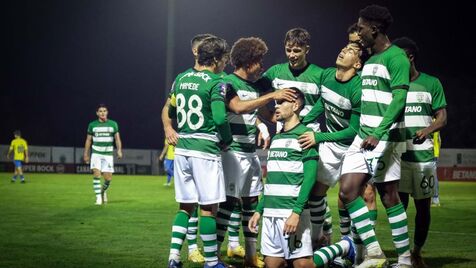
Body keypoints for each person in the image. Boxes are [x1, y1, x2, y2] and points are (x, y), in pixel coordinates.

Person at [338, 5, 412, 267]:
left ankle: (404, 259)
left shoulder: (397, 58)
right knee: (347, 191)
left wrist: (379, 133)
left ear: (374, 29)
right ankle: (374, 251)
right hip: (364, 136)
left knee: (388, 194)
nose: (357, 32)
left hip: (384, 138)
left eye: (360, 27)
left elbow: (400, 98)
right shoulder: (370, 59)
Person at [216, 37, 296, 268]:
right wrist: (273, 95)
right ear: (247, 61)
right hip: (231, 153)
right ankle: (216, 257)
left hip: (250, 153)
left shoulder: (259, 85)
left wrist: (290, 120)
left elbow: (265, 114)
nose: (262, 65)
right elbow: (238, 107)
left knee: (251, 202)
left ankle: (251, 256)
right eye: (259, 60)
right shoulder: (227, 82)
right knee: (229, 204)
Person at [261, 27, 334, 245]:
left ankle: (318, 237)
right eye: (288, 50)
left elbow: (326, 100)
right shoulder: (274, 72)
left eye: (296, 50)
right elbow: (258, 96)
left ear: (306, 49)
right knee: (283, 190)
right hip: (282, 140)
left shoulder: (319, 74)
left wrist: (306, 118)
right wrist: (269, 119)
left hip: (308, 138)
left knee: (312, 192)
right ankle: (314, 235)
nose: (292, 55)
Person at [166, 36, 233, 268]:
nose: (225, 63)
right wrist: (227, 139)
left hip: (182, 149)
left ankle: (174, 257)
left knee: (185, 207)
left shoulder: (181, 78)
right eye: (224, 59)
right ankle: (212, 262)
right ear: (215, 59)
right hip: (204, 150)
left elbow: (172, 112)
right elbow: (219, 116)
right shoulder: (216, 82)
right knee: (208, 209)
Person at [298, 42, 365, 259]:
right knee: (315, 193)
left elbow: (353, 131)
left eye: (351, 52)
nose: (344, 50)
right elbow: (322, 102)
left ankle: (360, 247)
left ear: (357, 64)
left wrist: (318, 136)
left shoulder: (358, 87)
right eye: (344, 48)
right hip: (331, 147)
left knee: (352, 197)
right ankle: (319, 238)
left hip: (353, 149)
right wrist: (302, 122)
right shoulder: (327, 75)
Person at [248, 89, 318, 268]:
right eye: (276, 103)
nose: (276, 107)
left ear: (295, 106)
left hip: (291, 212)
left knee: (302, 265)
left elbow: (310, 177)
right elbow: (270, 181)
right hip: (271, 214)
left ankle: (342, 247)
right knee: (274, 264)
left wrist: (296, 212)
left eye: (281, 103)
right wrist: (259, 210)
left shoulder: (305, 135)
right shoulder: (277, 138)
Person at [161, 33, 215, 264]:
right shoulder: (185, 79)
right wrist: (167, 127)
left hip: (189, 150)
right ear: (196, 51)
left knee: (191, 205)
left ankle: (181, 253)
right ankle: (196, 249)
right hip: (203, 148)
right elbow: (166, 108)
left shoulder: (203, 77)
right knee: (203, 206)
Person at [394, 37, 447, 268]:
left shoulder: (431, 83)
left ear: (410, 57)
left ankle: (417, 252)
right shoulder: (393, 84)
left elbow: (442, 117)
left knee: (423, 208)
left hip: (423, 158)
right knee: (399, 207)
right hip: (400, 155)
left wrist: (426, 130)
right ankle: (403, 255)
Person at [83, 104, 122, 205]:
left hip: (108, 154)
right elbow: (88, 140)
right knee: (96, 174)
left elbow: (117, 139)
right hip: (96, 153)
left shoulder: (113, 124)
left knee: (108, 179)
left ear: (107, 112)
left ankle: (103, 191)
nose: (102, 113)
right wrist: (86, 154)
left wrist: (119, 150)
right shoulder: (92, 125)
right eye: (100, 111)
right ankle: (98, 198)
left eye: (104, 111)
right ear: (97, 113)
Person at [431, 130, 442, 206]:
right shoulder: (437, 123)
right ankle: (434, 198)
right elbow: (439, 140)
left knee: (433, 177)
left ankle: (435, 199)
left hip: (430, 152)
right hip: (435, 152)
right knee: (433, 176)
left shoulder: (430, 122)